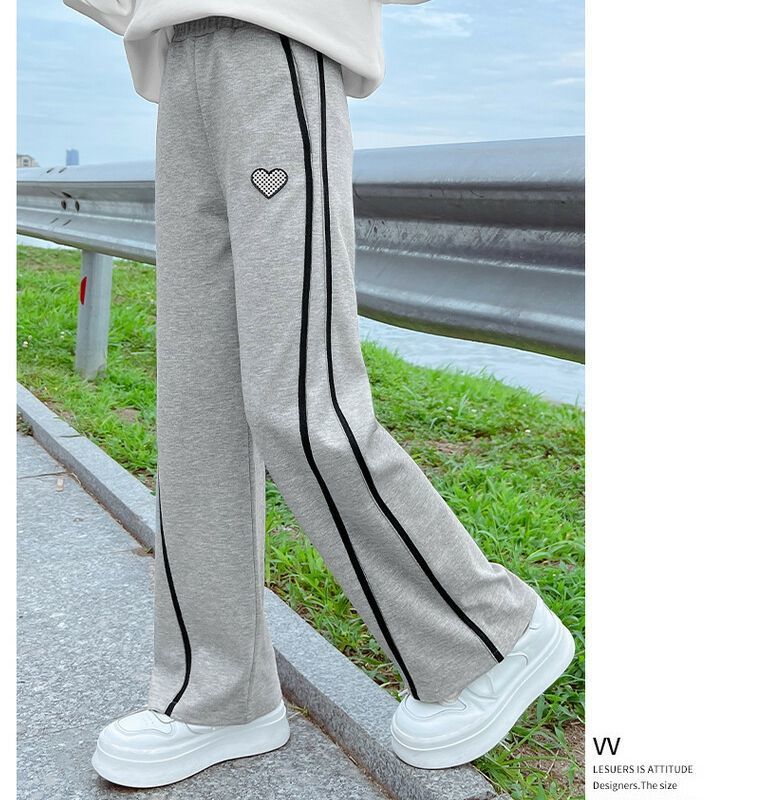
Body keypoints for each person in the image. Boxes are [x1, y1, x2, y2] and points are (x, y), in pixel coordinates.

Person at [62, 0, 576, 788]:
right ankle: (219, 697)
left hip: (280, 47)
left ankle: (489, 636)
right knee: (197, 417)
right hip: (179, 59)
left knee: (302, 401)